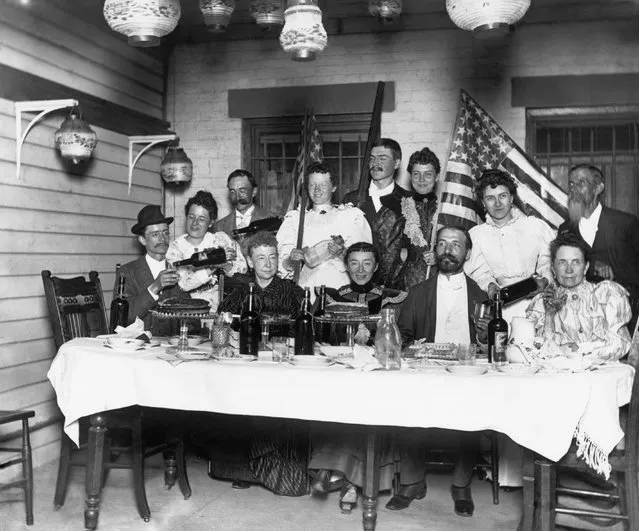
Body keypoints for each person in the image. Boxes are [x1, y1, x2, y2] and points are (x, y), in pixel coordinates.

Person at [393, 225, 487, 517]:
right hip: (425, 371)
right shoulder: (418, 293)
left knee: (474, 409)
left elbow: (489, 345)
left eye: (456, 245)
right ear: (435, 251)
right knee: (407, 402)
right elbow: (404, 338)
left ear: (467, 253)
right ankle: (411, 483)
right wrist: (418, 351)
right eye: (443, 244)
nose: (448, 250)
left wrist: (483, 338)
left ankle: (461, 485)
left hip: (466, 374)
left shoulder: (480, 295)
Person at [526, 230, 632, 367]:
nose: (569, 270)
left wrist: (579, 352)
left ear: (586, 266)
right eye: (562, 262)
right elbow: (531, 350)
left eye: (576, 262)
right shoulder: (541, 303)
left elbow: (620, 344)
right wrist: (549, 316)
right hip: (556, 377)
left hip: (601, 373)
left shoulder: (607, 294)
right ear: (553, 268)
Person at [464, 169, 556, 324]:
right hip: (499, 309)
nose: (498, 203)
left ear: (512, 197)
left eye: (503, 196)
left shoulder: (535, 226)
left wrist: (545, 280)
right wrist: (490, 286)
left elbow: (550, 261)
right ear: (483, 203)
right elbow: (479, 273)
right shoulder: (477, 235)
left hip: (537, 302)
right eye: (490, 198)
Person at [558, 164, 639, 331]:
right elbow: (561, 271)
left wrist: (615, 272)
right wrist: (591, 266)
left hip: (624, 315)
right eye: (571, 184)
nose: (573, 190)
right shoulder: (565, 229)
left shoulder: (626, 223)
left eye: (580, 183)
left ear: (598, 188)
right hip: (581, 320)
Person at [277, 161, 372, 297]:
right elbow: (281, 261)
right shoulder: (296, 219)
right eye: (312, 185)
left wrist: (343, 254)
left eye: (323, 185)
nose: (317, 190)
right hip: (306, 288)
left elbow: (366, 258)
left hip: (341, 288)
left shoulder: (351, 217)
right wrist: (292, 260)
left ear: (334, 187)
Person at [342, 138, 410, 289]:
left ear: (397, 163)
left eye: (382, 158)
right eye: (372, 158)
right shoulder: (351, 199)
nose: (375, 163)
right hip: (357, 283)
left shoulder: (408, 201)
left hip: (394, 286)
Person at [166, 191, 246, 312]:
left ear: (211, 222)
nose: (195, 223)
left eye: (201, 219)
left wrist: (226, 265)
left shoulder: (219, 240)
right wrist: (213, 265)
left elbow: (242, 269)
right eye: (191, 217)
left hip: (219, 310)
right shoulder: (176, 248)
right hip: (186, 312)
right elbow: (184, 284)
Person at [115, 205, 186, 335]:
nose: (162, 239)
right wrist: (154, 287)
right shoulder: (127, 272)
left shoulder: (177, 270)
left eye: (165, 232)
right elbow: (124, 318)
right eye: (155, 234)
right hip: (140, 348)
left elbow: (190, 317)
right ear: (142, 240)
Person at [322, 241, 407, 344]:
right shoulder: (331, 299)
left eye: (367, 263)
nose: (360, 270)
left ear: (375, 267)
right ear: (346, 266)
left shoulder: (393, 300)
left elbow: (402, 341)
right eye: (354, 263)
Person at [218, 231, 304, 319]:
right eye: (261, 258)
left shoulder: (292, 292)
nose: (268, 264)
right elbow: (223, 320)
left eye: (272, 257)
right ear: (250, 261)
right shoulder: (241, 292)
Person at [396, 147, 440, 289]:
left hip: (442, 280)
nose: (421, 180)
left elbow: (462, 248)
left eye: (428, 174)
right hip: (409, 282)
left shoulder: (447, 208)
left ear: (437, 176)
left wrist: (440, 257)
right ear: (410, 176)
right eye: (416, 174)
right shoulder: (400, 207)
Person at [214, 169, 275, 237]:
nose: (237, 197)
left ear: (254, 191)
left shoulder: (272, 221)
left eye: (242, 191)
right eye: (232, 191)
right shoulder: (219, 227)